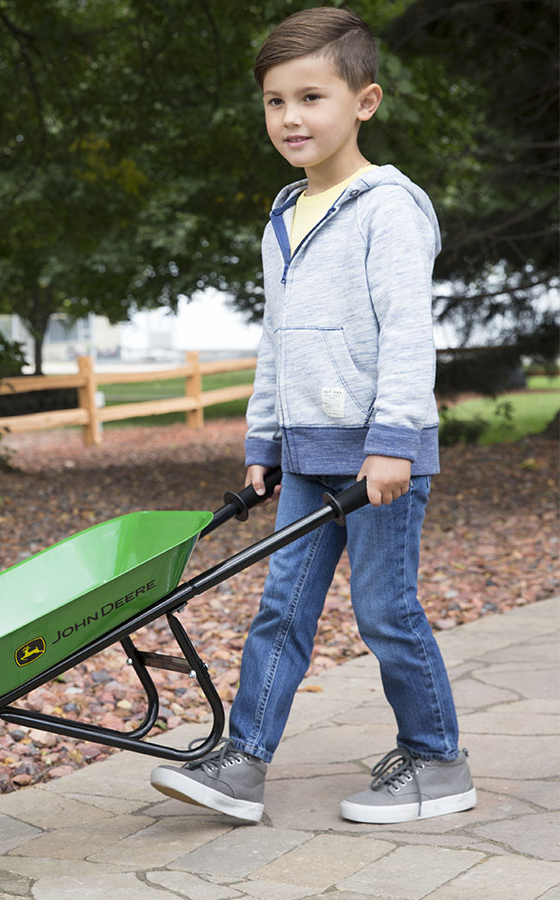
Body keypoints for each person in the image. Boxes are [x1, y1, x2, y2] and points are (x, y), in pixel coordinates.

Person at [150, 6, 476, 825]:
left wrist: (395, 444)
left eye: (311, 97)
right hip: (305, 456)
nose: (291, 118)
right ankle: (243, 764)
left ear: (363, 102)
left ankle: (438, 760)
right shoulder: (283, 211)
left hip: (379, 460)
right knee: (281, 607)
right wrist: (265, 436)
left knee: (385, 610)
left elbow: (406, 334)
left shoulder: (388, 207)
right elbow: (280, 338)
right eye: (273, 102)